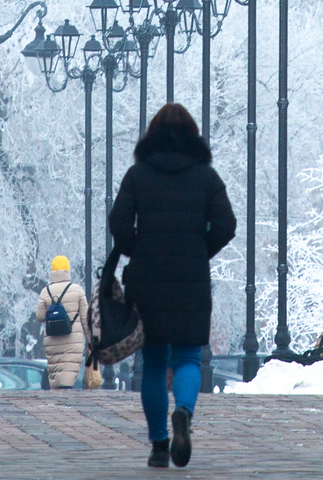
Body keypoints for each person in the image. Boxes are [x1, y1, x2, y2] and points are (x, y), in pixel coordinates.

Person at [108, 102, 236, 469]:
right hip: (191, 280)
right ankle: (183, 411)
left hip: (147, 279)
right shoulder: (206, 178)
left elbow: (118, 223)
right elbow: (226, 225)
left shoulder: (137, 175)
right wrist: (199, 252)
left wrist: (137, 249)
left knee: (153, 362)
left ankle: (159, 445)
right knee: (187, 357)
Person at [34, 255, 89, 389]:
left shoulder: (45, 292)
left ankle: (57, 400)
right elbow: (86, 319)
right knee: (68, 375)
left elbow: (40, 316)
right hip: (73, 340)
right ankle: (65, 400)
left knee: (56, 373)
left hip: (52, 340)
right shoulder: (77, 290)